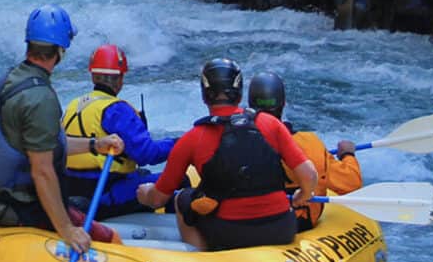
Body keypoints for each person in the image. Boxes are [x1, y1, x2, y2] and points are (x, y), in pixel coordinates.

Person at [0, 4, 125, 254]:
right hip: (22, 208)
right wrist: (66, 229)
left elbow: (45, 145)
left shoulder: (11, 79)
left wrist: (96, 144)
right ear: (60, 50)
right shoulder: (40, 97)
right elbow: (42, 170)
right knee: (111, 239)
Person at [135, 58, 320, 251]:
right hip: (281, 228)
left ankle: (202, 257)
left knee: (182, 198)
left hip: (229, 234)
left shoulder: (191, 139)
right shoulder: (271, 124)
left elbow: (158, 199)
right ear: (239, 94)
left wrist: (145, 193)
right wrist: (303, 194)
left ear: (205, 95)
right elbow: (310, 176)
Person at [62, 44, 176, 218]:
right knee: (178, 177)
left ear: (93, 77)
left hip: (71, 189)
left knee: (141, 174)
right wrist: (178, 144)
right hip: (104, 195)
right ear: (121, 78)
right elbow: (147, 155)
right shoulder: (117, 110)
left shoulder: (73, 104)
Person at [247, 71, 362, 229]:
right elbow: (351, 184)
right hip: (297, 221)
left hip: (245, 220)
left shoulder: (234, 140)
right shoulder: (309, 144)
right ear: (283, 104)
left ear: (250, 106)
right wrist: (347, 154)